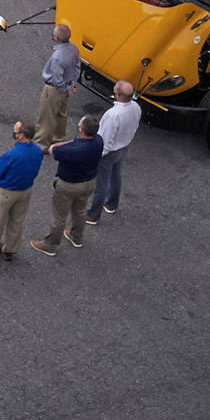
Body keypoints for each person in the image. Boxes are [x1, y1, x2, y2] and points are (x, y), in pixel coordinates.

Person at [0, 120, 46, 263]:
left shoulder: (11, 155)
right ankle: (9, 249)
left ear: (21, 136)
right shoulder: (37, 150)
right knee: (16, 221)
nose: (14, 132)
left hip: (6, 192)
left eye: (16, 130)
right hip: (25, 191)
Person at [32, 115, 103, 257]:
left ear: (81, 130)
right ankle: (76, 237)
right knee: (80, 210)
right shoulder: (99, 141)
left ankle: (50, 245)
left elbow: (52, 149)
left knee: (59, 216)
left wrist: (60, 143)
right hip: (88, 183)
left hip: (68, 185)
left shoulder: (71, 150)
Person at [87, 81, 142, 224]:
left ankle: (93, 215)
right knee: (115, 176)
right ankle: (111, 203)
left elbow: (105, 140)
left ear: (117, 95)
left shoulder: (112, 115)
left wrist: (96, 156)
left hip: (108, 153)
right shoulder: (135, 107)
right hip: (123, 147)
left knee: (101, 184)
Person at [36, 23, 79, 146]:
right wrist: (72, 86)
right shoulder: (73, 48)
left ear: (56, 38)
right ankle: (59, 139)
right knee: (61, 115)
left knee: (46, 118)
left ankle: (42, 145)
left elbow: (56, 78)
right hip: (68, 85)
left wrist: (64, 88)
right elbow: (77, 67)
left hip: (54, 89)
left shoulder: (57, 57)